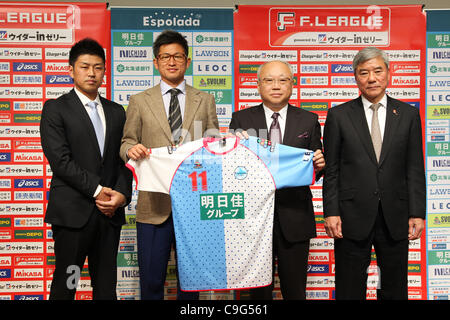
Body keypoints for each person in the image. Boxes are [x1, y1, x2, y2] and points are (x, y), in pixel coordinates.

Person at [120, 30, 219, 300]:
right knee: (151, 282)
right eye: (165, 57)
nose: (171, 62)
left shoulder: (205, 99)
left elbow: (213, 146)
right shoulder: (139, 101)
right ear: (156, 62)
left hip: (195, 205)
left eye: (177, 56)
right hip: (153, 205)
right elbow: (126, 142)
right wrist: (132, 149)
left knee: (192, 283)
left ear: (187, 61)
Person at [323, 47, 426, 300]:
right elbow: (332, 169)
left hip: (396, 214)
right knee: (349, 286)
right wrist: (331, 211)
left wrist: (417, 213)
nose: (371, 78)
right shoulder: (339, 115)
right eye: (364, 72)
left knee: (393, 285)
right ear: (356, 77)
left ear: (388, 73)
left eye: (378, 71)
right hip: (350, 215)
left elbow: (414, 167)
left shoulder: (409, 114)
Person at [40, 38, 132, 300]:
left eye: (98, 67)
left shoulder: (116, 112)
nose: (92, 73)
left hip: (109, 215)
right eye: (84, 66)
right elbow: (60, 161)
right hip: (73, 216)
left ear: (104, 71)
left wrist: (121, 195)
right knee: (67, 283)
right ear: (71, 70)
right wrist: (98, 190)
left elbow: (123, 160)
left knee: (106, 288)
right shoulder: (56, 109)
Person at [228, 60, 325, 299]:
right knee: (258, 292)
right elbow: (231, 170)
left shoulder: (308, 120)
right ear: (258, 85)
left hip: (295, 215)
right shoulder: (241, 120)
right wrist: (234, 149)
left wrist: (320, 165)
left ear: (292, 85)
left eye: (283, 80)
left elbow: (315, 167)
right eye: (269, 80)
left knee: (295, 290)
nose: (276, 86)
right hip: (253, 219)